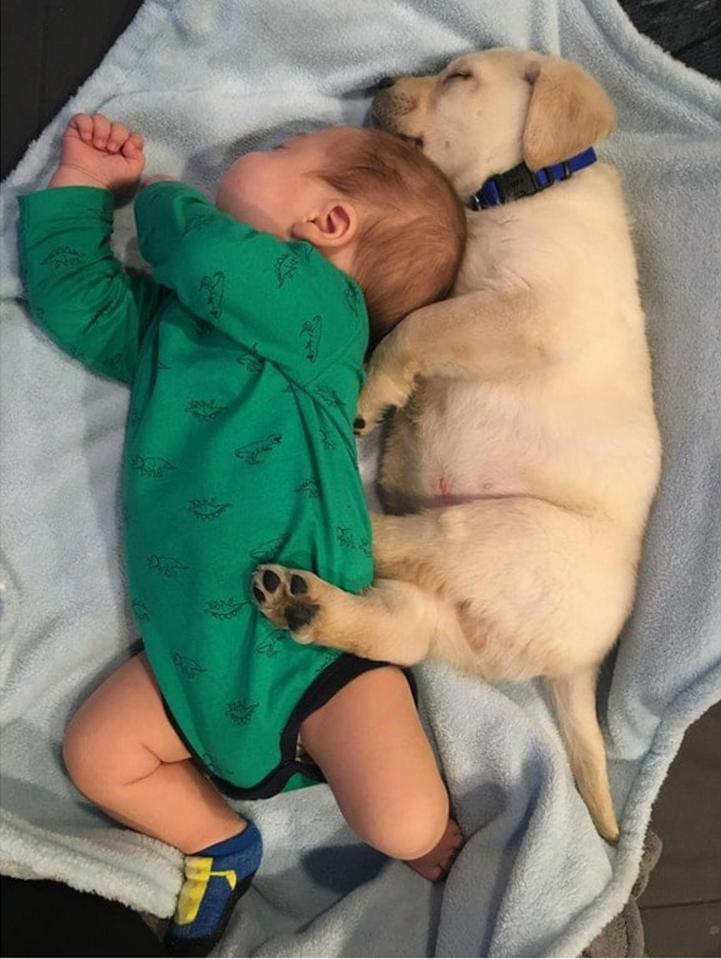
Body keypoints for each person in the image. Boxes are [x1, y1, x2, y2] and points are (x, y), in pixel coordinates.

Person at [17, 112, 467, 955]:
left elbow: (209, 257)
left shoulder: (325, 322)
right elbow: (78, 302)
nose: (243, 154)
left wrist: (152, 197)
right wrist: (78, 184)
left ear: (327, 227)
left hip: (315, 655)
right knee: (98, 752)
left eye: (276, 153)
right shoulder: (175, 331)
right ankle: (217, 839)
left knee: (404, 823)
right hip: (190, 661)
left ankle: (418, 829)